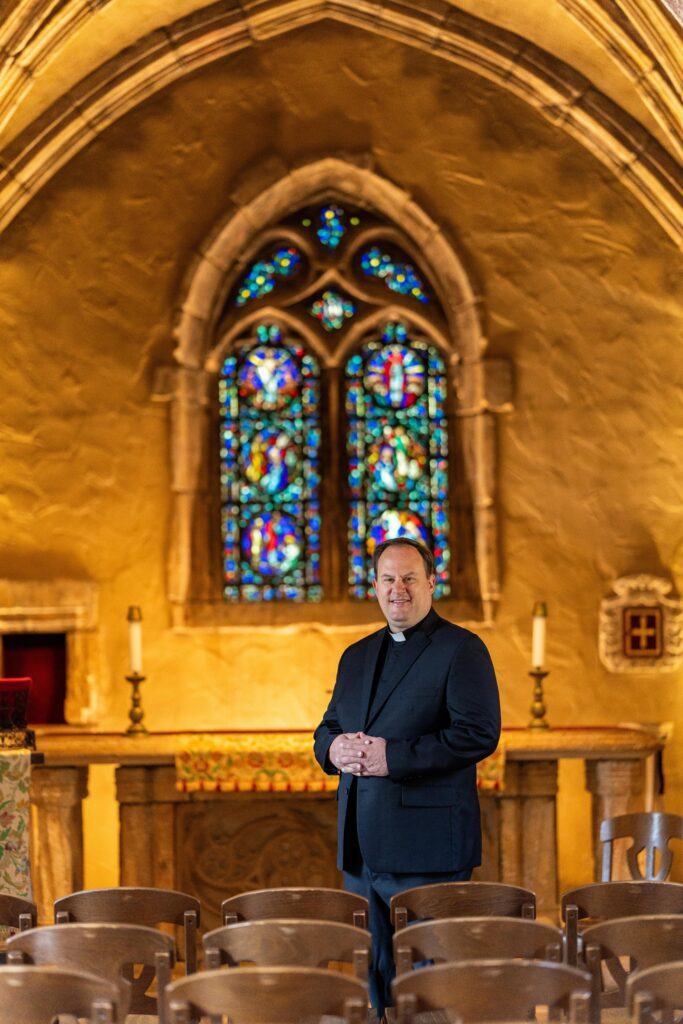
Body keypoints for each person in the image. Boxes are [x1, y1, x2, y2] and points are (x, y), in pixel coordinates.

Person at [313, 537, 501, 1018]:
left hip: (428, 848)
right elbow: (329, 725)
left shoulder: (462, 649)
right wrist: (332, 748)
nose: (399, 589)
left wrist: (391, 758)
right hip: (361, 847)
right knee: (376, 974)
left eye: (410, 578)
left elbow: (478, 734)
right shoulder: (355, 655)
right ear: (375, 587)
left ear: (431, 583)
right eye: (389, 579)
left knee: (430, 983)